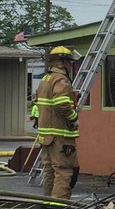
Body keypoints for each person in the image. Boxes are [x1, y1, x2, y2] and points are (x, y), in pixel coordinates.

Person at [34, 46, 81, 199]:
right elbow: (61, 103)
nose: (71, 65)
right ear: (62, 62)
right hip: (60, 136)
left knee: (49, 171)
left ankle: (47, 207)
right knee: (63, 171)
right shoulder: (61, 80)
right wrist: (73, 118)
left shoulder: (45, 79)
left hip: (46, 136)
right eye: (69, 62)